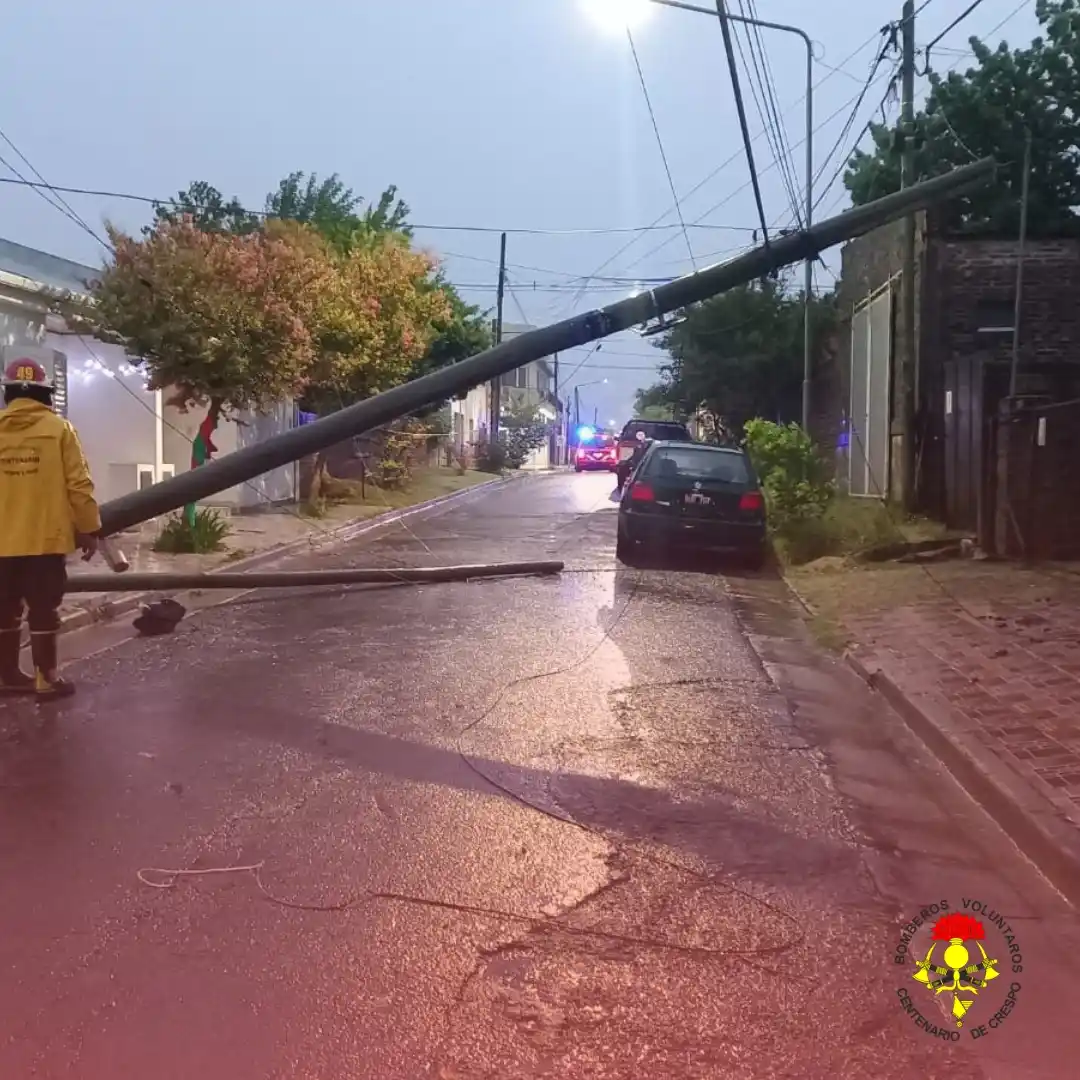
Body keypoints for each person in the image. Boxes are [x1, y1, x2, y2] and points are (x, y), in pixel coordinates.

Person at [0, 358, 101, 699]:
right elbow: (79, 485)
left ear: (8, 393)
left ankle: (9, 676)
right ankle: (46, 679)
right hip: (44, 540)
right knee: (43, 610)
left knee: (4, 609)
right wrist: (89, 528)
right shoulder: (60, 430)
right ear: (46, 395)